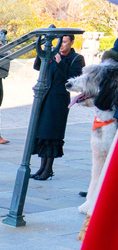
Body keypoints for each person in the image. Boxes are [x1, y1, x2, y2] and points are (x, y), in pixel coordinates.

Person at [31, 33, 85, 180]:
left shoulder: (77, 59)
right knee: (42, 133)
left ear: (72, 42)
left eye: (65, 42)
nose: (61, 45)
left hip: (58, 101)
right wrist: (43, 52)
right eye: (60, 42)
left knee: (52, 135)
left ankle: (48, 169)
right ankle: (42, 168)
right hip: (45, 98)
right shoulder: (52, 54)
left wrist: (60, 62)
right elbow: (37, 67)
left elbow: (73, 79)